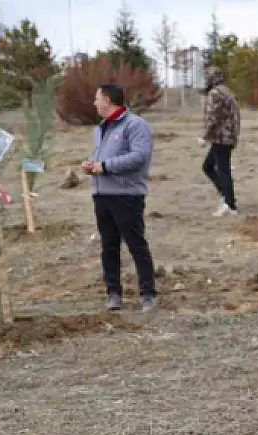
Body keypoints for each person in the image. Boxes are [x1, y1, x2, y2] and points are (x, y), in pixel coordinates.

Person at [82, 83, 157, 312]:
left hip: (126, 195)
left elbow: (139, 156)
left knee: (136, 244)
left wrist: (104, 167)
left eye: (97, 98)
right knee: (109, 247)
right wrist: (91, 166)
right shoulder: (99, 129)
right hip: (101, 195)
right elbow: (102, 158)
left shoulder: (135, 125)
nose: (94, 103)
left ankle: (147, 294)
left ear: (107, 99)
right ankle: (113, 293)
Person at [201, 66, 242, 217]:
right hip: (228, 136)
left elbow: (213, 117)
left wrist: (205, 136)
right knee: (208, 166)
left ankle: (229, 204)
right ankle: (227, 196)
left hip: (221, 137)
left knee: (222, 169)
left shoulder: (215, 93)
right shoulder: (226, 91)